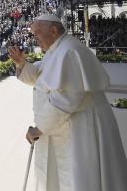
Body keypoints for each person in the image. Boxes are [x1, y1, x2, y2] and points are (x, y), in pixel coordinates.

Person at [8, 14, 127, 191]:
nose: (35, 39)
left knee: (78, 180)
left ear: (53, 30)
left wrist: (39, 127)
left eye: (37, 33)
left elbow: (66, 97)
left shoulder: (69, 50)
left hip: (80, 127)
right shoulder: (57, 49)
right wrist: (21, 64)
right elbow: (42, 79)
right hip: (67, 125)